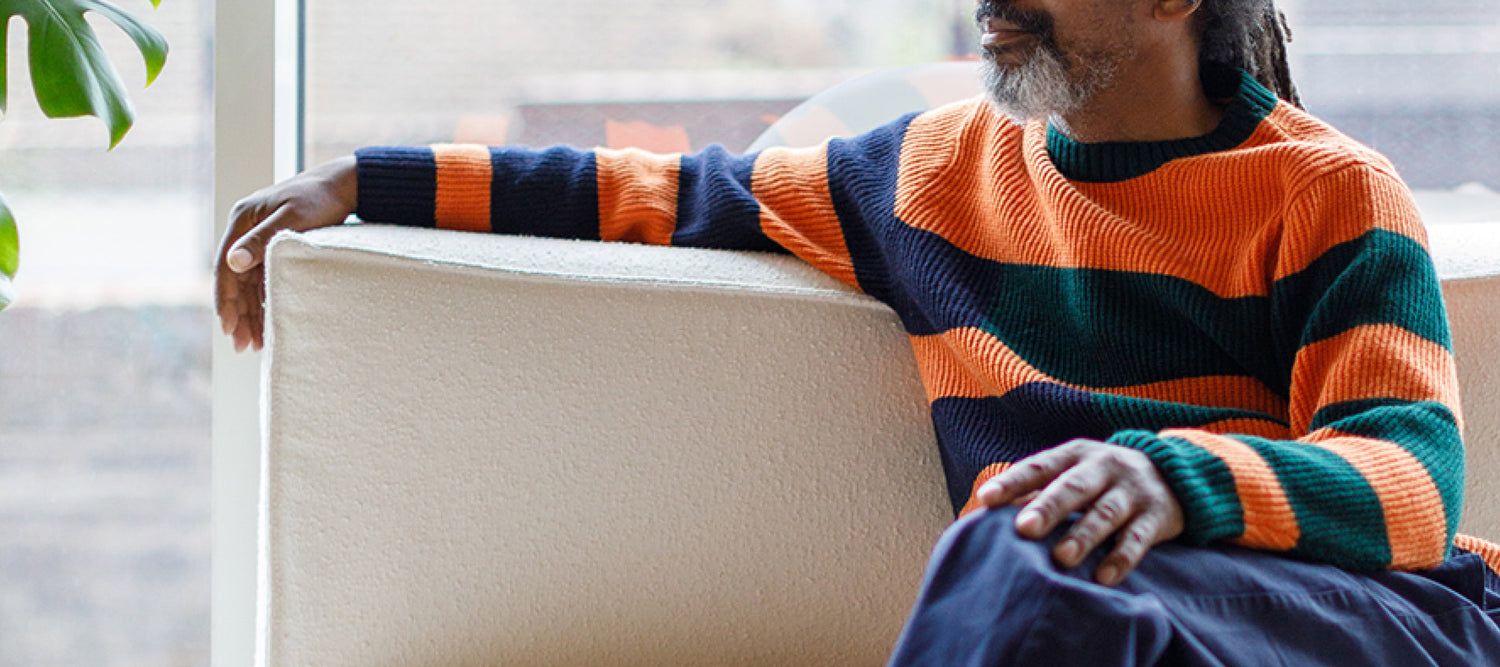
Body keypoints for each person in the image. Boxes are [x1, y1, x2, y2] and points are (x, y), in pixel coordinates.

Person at [217, 0, 1500, 663]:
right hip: (1109, 617)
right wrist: (364, 181)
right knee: (1056, 579)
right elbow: (660, 192)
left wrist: (1165, 479)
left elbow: (1410, 489)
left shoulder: (1329, 190)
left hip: (1368, 622)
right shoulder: (930, 174)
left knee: (1025, 544)